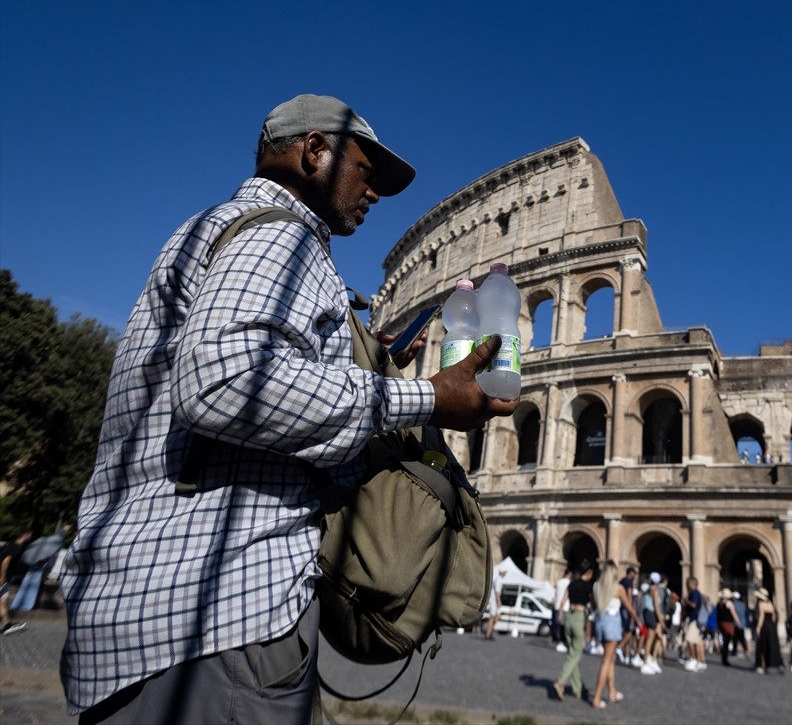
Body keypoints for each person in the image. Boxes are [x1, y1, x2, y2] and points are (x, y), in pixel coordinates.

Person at [58, 94, 519, 724]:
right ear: (315, 151)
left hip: (159, 614)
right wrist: (430, 398)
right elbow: (226, 384)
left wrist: (353, 359)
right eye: (367, 169)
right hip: (219, 620)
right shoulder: (285, 236)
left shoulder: (212, 228)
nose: (375, 193)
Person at [589, 560, 639, 709]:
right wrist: (637, 620)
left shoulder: (596, 586)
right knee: (606, 660)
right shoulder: (618, 588)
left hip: (600, 621)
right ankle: (597, 698)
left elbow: (593, 605)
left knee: (609, 659)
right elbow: (629, 608)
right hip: (612, 622)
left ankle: (612, 692)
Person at [554, 560, 594, 701]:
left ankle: (577, 689)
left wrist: (560, 616)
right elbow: (592, 606)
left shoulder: (571, 584)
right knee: (576, 654)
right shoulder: (588, 587)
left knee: (572, 653)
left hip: (568, 617)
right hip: (578, 618)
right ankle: (560, 682)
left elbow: (562, 602)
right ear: (588, 573)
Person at [0, 531, 32, 635]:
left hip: (6, 579)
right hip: (2, 578)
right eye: (29, 534)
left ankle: (7, 624)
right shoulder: (16, 547)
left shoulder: (10, 545)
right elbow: (6, 561)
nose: (30, 536)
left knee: (3, 601)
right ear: (24, 535)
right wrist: (2, 576)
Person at [754, 588, 785, 675]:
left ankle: (761, 665)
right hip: (771, 626)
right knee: (772, 645)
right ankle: (776, 663)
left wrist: (758, 627)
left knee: (762, 645)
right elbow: (774, 617)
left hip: (765, 626)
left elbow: (761, 617)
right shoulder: (770, 604)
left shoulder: (761, 604)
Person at [681, 577, 707, 671]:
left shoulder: (694, 593)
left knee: (689, 639)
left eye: (688, 583)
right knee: (695, 642)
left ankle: (693, 659)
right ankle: (697, 661)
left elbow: (694, 605)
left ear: (692, 584)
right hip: (695, 619)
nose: (686, 585)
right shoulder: (697, 593)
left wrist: (686, 600)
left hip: (694, 619)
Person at [715, 588, 743, 666]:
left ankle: (724, 657)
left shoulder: (719, 603)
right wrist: (738, 623)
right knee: (726, 642)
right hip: (728, 624)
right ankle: (725, 658)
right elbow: (734, 614)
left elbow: (717, 615)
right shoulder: (729, 603)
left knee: (723, 641)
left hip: (720, 623)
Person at [616, 566, 638, 663]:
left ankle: (627, 654)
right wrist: (630, 607)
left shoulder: (621, 581)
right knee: (629, 630)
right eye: (634, 574)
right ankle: (620, 648)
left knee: (625, 631)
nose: (635, 576)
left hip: (620, 607)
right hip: (626, 608)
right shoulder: (629, 582)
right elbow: (629, 594)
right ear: (631, 573)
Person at [484, 566, 509, 639]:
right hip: (494, 601)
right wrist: (499, 601)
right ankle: (488, 633)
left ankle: (489, 632)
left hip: (493, 600)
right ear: (502, 572)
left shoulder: (497, 579)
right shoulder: (499, 580)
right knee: (493, 617)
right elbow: (497, 593)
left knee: (495, 617)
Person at [553, 567, 572, 651]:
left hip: (557, 606)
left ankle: (558, 641)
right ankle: (563, 642)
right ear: (569, 574)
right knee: (564, 626)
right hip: (566, 607)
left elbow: (555, 595)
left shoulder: (558, 582)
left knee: (558, 625)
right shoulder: (569, 583)